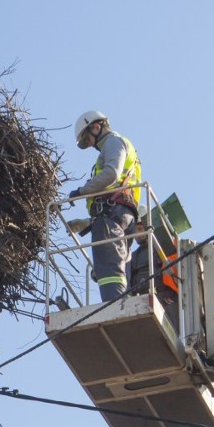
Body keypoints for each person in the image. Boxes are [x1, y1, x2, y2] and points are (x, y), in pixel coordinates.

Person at [67, 111, 142, 303]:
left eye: (87, 139)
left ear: (96, 126)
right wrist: (88, 223)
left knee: (108, 267)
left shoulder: (113, 142)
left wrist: (83, 191)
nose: (90, 144)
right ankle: (121, 302)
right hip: (119, 214)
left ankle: (114, 307)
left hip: (112, 214)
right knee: (118, 263)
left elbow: (111, 174)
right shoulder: (117, 145)